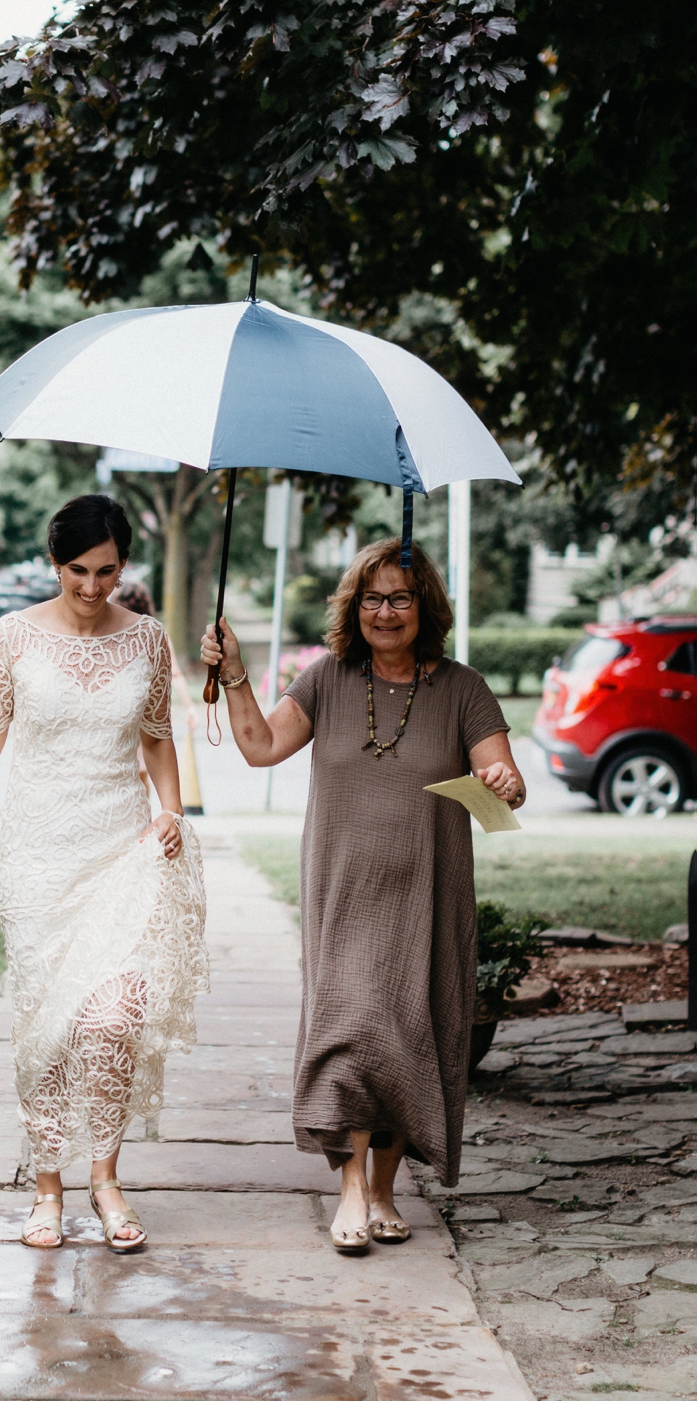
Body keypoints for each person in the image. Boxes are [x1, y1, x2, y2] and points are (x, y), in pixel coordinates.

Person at [200, 536, 524, 1252]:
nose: (386, 611)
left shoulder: (463, 688)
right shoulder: (326, 679)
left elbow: (502, 771)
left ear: (424, 606)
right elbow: (259, 747)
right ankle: (348, 1189)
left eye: (400, 598)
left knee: (410, 1032)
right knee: (350, 1029)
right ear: (354, 605)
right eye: (372, 597)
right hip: (343, 890)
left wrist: (503, 780)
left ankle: (382, 1186)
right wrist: (236, 677)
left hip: (426, 893)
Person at [0, 495, 208, 1252]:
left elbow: (157, 738)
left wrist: (172, 810)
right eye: (78, 571)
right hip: (39, 860)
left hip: (122, 849)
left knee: (114, 1017)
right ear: (54, 562)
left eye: (109, 571)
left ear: (125, 566)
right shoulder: (11, 637)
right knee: (47, 1026)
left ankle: (106, 1177)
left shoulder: (147, 639)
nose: (93, 588)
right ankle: (48, 1188)